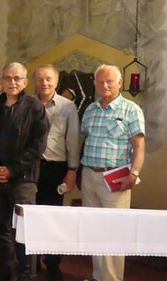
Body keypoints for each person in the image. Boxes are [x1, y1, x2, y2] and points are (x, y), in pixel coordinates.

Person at [0, 62, 48, 281]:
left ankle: (27, 275)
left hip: (23, 179)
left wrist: (12, 170)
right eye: (8, 78)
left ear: (25, 82)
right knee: (0, 226)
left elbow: (38, 146)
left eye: (17, 79)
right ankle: (6, 271)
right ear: (0, 81)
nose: (12, 83)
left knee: (24, 229)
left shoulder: (35, 107)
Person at [80, 64, 145, 281]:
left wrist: (134, 174)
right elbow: (85, 139)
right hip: (89, 175)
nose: (105, 85)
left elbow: (139, 147)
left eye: (110, 81)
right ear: (95, 84)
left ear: (119, 83)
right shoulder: (90, 109)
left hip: (116, 177)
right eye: (100, 81)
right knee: (94, 230)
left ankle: (112, 279)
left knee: (114, 232)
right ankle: (99, 276)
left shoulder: (131, 109)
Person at [33, 64, 80, 281]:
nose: (44, 83)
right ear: (34, 81)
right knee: (30, 215)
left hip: (55, 168)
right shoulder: (28, 103)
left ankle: (52, 263)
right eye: (40, 79)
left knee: (53, 217)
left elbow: (72, 141)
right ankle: (30, 262)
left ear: (56, 81)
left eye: (49, 79)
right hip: (30, 168)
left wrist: (71, 171)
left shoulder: (68, 107)